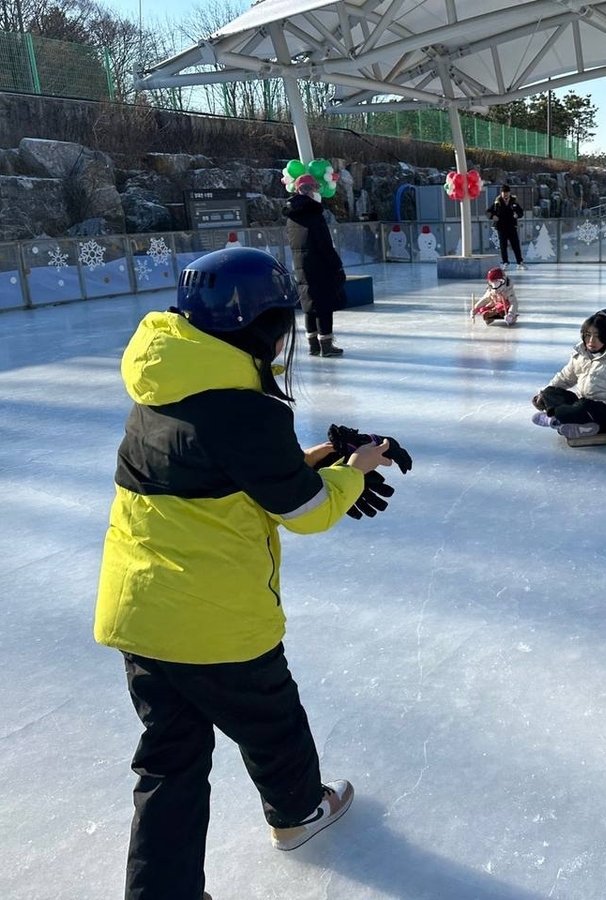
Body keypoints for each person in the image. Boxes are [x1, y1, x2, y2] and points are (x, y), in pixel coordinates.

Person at [94, 247, 398, 900]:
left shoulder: (163, 384)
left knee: (169, 761)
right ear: (257, 328)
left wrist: (315, 456)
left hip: (138, 613)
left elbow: (226, 474)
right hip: (216, 621)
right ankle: (296, 814)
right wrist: (357, 467)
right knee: (273, 722)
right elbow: (306, 510)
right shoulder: (247, 409)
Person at [531, 308, 606, 440]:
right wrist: (543, 396)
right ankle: (578, 426)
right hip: (583, 407)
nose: (591, 341)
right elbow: (564, 378)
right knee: (550, 392)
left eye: (598, 336)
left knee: (583, 406)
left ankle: (556, 420)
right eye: (588, 334)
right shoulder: (582, 354)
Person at [285, 173, 347, 357]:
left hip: (301, 266)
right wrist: (337, 266)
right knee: (323, 306)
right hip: (319, 266)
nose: (315, 193)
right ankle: (326, 345)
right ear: (309, 191)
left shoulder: (292, 216)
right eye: (314, 189)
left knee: (309, 304)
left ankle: (313, 345)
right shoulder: (313, 214)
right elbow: (324, 244)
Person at [487, 183, 525, 269]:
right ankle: (505, 262)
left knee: (515, 245)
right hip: (501, 228)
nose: (505, 194)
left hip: (512, 227)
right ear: (501, 193)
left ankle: (519, 262)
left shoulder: (514, 201)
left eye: (507, 192)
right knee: (503, 246)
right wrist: (493, 216)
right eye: (503, 193)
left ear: (509, 193)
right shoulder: (497, 202)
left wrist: (517, 215)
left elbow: (521, 212)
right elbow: (488, 212)